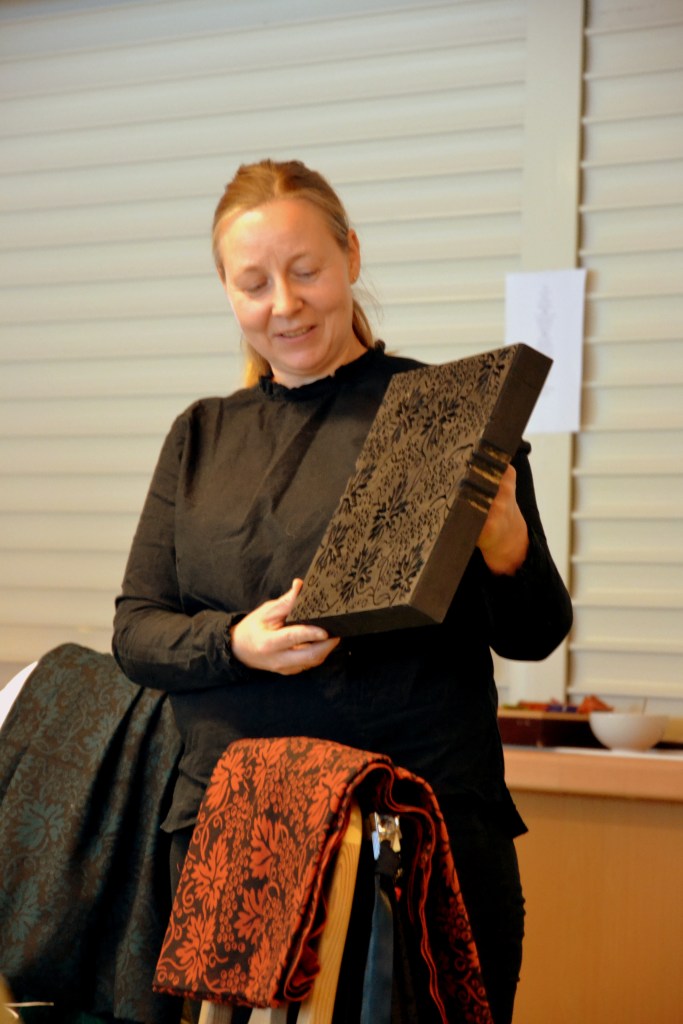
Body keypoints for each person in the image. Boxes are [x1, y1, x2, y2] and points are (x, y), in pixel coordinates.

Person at [113, 158, 572, 1024]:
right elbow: (136, 631)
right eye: (253, 284)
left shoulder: (444, 414)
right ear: (227, 290)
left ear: (351, 256)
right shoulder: (200, 435)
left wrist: (506, 543)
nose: (283, 305)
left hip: (419, 835)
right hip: (232, 843)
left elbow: (534, 634)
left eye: (306, 271)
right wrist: (235, 643)